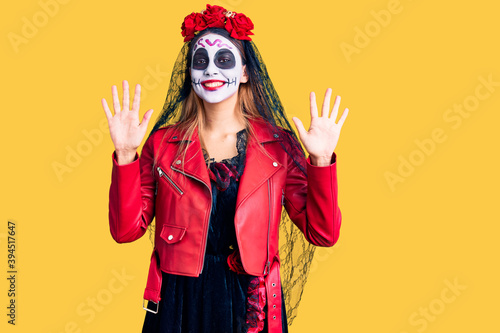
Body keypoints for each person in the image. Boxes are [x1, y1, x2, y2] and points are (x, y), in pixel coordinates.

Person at [101, 4, 348, 333]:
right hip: (179, 303)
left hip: (252, 304)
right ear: (189, 73)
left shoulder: (279, 146)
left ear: (245, 71)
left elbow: (323, 233)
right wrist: (126, 154)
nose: (210, 70)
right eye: (200, 61)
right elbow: (125, 231)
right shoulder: (162, 144)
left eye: (224, 60)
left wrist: (320, 161)